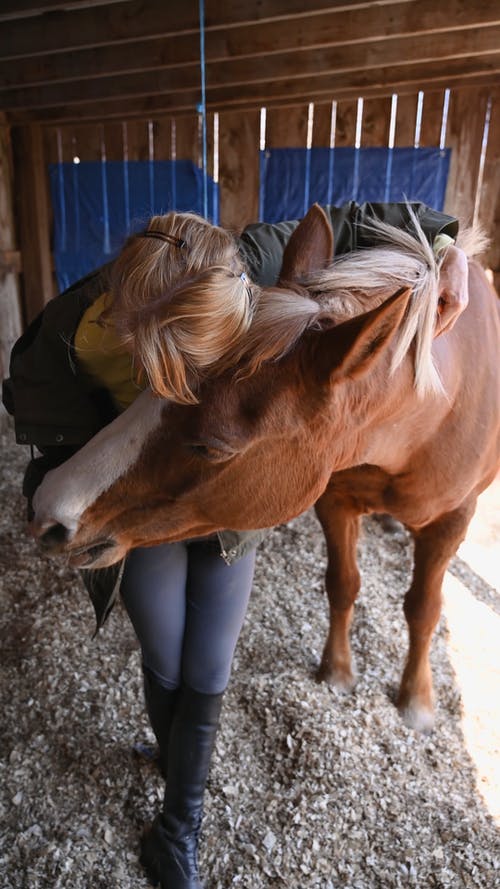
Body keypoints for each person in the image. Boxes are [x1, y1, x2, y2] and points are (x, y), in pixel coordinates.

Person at [3, 202, 468, 889]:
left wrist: (451, 248)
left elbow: (367, 217)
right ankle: (172, 756)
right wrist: (67, 490)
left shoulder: (249, 263)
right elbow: (56, 437)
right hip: (152, 496)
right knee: (165, 652)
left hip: (226, 483)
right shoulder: (63, 342)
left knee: (210, 663)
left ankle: (178, 825)